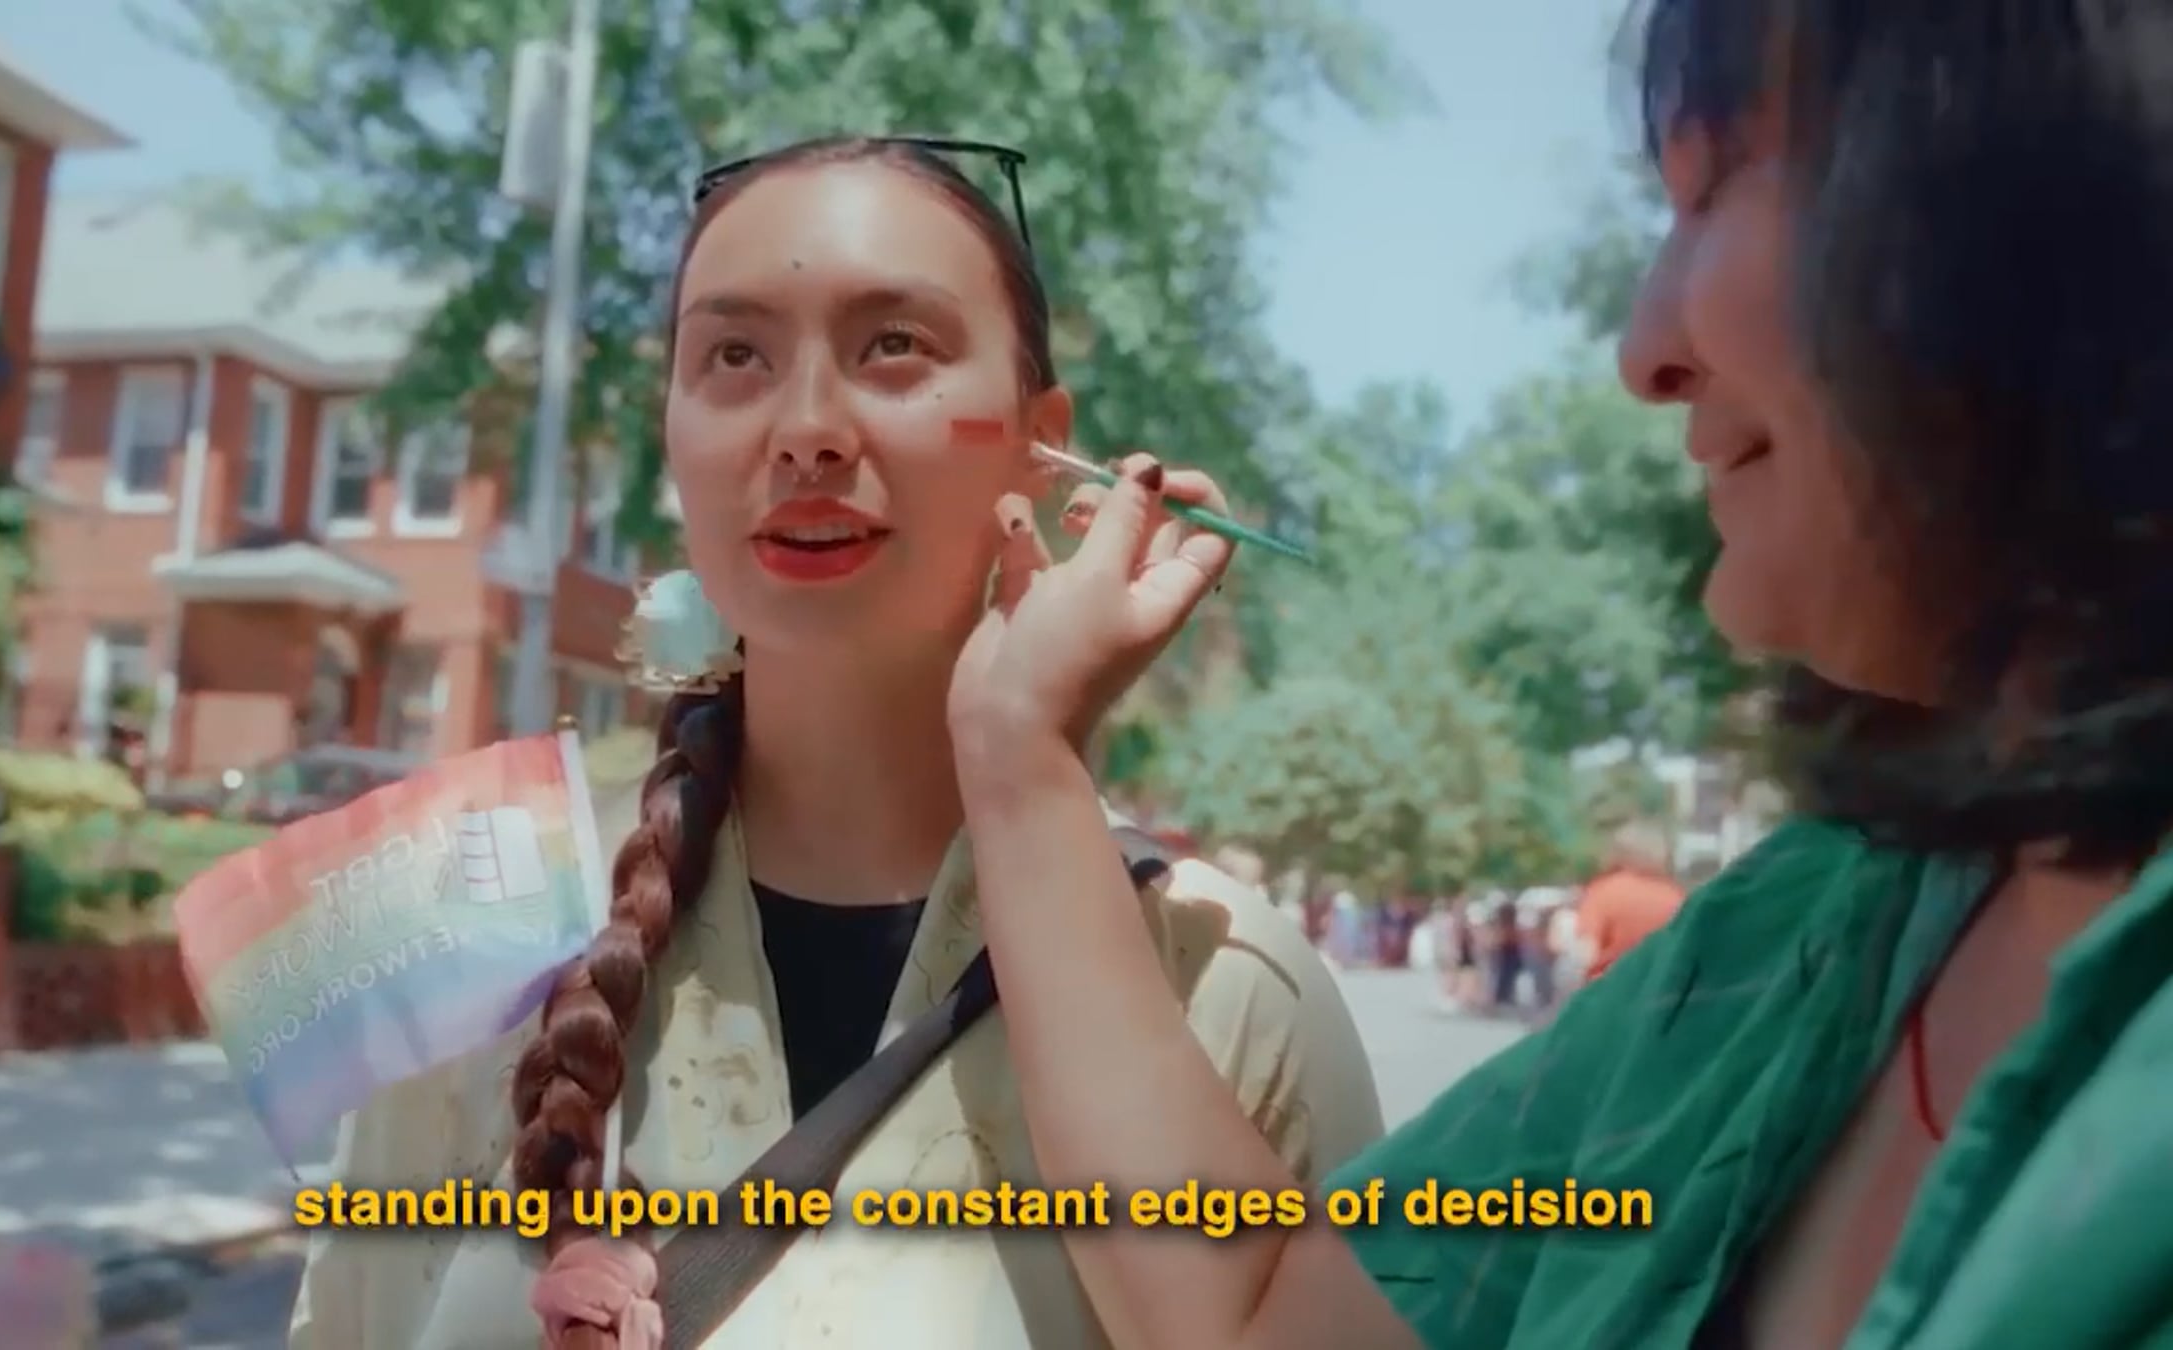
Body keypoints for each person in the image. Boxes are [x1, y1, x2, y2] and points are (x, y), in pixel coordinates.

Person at [938, 1, 2173, 1346]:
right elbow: (1263, 1313)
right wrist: (1020, 744)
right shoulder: (1798, 935)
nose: (1644, 352)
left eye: (1713, 191)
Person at [285, 136, 1382, 1350]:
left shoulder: (1229, 981)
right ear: (671, 433)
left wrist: (1024, 750)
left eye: (894, 345)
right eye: (734, 356)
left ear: (1041, 441)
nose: (806, 430)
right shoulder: (471, 932)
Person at [1570, 821, 1686, 982]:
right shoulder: (1676, 897)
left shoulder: (1605, 892)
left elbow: (1586, 952)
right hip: (1661, 988)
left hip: (1611, 987)